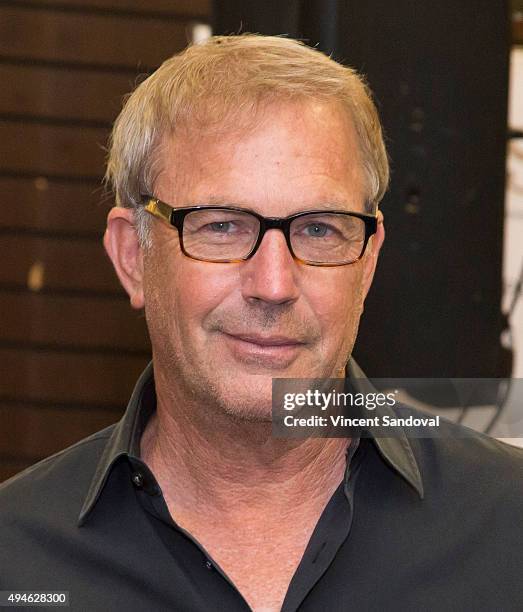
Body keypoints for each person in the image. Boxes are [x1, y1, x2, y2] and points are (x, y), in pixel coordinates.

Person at [0, 34, 522, 612]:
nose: (273, 285)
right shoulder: (16, 559)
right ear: (133, 258)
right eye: (222, 226)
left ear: (368, 262)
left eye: (320, 229)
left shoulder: (507, 527)